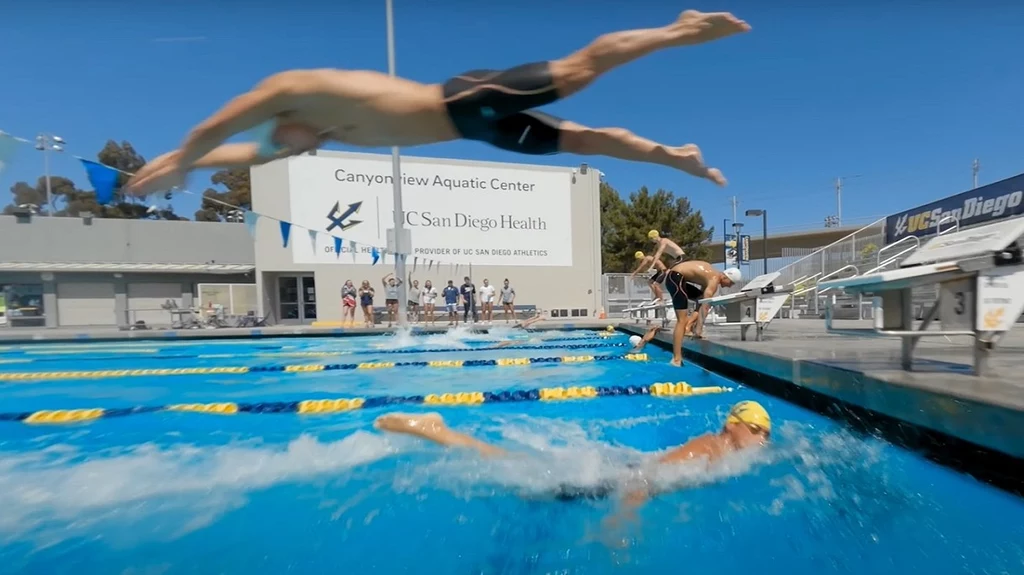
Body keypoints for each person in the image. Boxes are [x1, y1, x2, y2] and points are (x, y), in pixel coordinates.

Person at [124, 11, 751, 197]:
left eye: (286, 141)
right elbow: (248, 153)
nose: (293, 151)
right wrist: (189, 165)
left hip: (467, 96)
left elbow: (218, 126)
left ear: (283, 124)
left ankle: (679, 29)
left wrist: (182, 156)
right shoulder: (315, 132)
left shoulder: (292, 92)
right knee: (580, 141)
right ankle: (675, 158)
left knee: (579, 71)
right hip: (480, 133)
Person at [373, 400, 771, 503]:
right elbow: (644, 479)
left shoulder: (721, 450)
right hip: (616, 480)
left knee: (523, 471)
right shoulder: (709, 447)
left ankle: (441, 432)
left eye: (765, 435)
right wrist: (623, 522)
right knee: (517, 472)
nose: (761, 439)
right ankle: (437, 432)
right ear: (732, 425)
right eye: (757, 430)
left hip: (620, 470)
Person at [664, 261, 741, 366]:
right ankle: (676, 359)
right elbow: (705, 306)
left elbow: (702, 302)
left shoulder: (711, 275)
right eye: (731, 283)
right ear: (725, 277)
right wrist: (699, 330)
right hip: (675, 279)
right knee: (681, 320)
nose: (729, 286)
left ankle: (688, 327)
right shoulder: (714, 280)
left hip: (676, 278)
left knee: (700, 298)